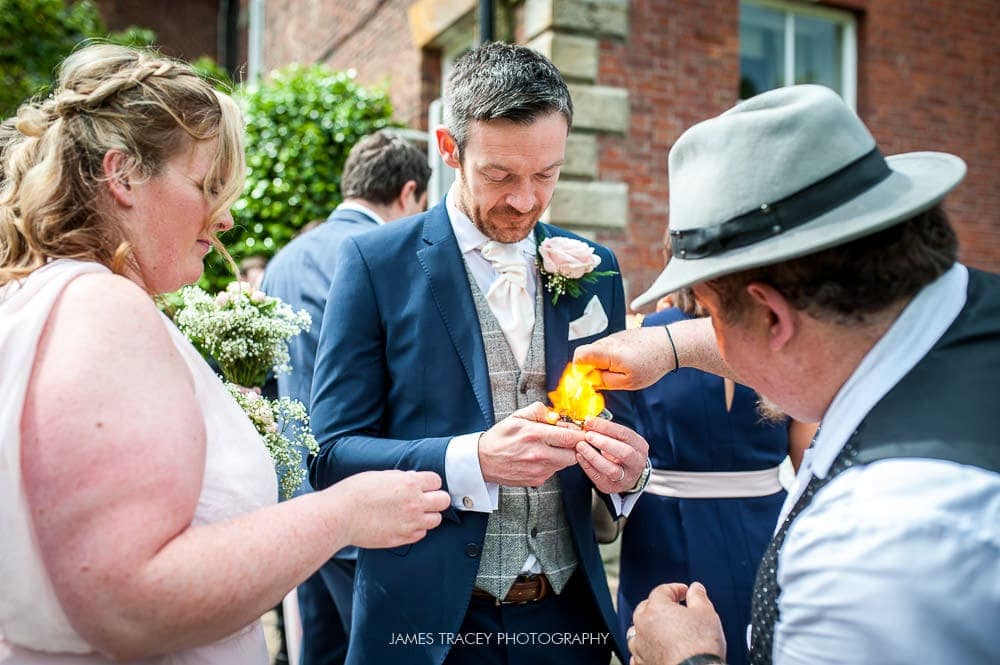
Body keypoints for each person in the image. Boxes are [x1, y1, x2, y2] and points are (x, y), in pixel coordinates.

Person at [0, 43, 450, 665]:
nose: (227, 218)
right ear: (122, 174)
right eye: (207, 184)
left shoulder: (36, 293)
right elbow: (131, 601)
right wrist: (342, 514)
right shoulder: (102, 307)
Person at [575, 84, 999, 665]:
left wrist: (690, 663)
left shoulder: (873, 544)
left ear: (773, 314)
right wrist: (672, 345)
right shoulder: (969, 312)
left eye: (714, 315)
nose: (713, 337)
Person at [308, 41, 651, 665]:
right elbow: (331, 455)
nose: (525, 200)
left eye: (546, 174)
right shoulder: (373, 263)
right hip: (427, 621)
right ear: (449, 149)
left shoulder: (595, 270)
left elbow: (623, 423)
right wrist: (473, 460)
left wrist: (627, 477)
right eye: (500, 176)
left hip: (568, 619)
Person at [260, 128, 431, 665]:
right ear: (408, 194)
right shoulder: (389, 258)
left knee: (319, 649)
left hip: (298, 501)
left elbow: (267, 380)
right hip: (368, 500)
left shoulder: (282, 260)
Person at [618, 284, 815, 665]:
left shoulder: (645, 335)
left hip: (664, 523)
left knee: (665, 640)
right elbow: (808, 460)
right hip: (763, 519)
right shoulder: (781, 331)